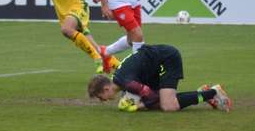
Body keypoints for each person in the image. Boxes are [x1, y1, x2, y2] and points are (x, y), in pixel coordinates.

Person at [87, 44, 231, 112]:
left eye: (100, 97)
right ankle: (202, 94)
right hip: (152, 68)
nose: (102, 100)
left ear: (106, 89)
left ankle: (213, 92)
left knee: (168, 106)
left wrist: (137, 106)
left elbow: (151, 95)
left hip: (166, 59)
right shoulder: (119, 79)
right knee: (158, 104)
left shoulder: (127, 83)